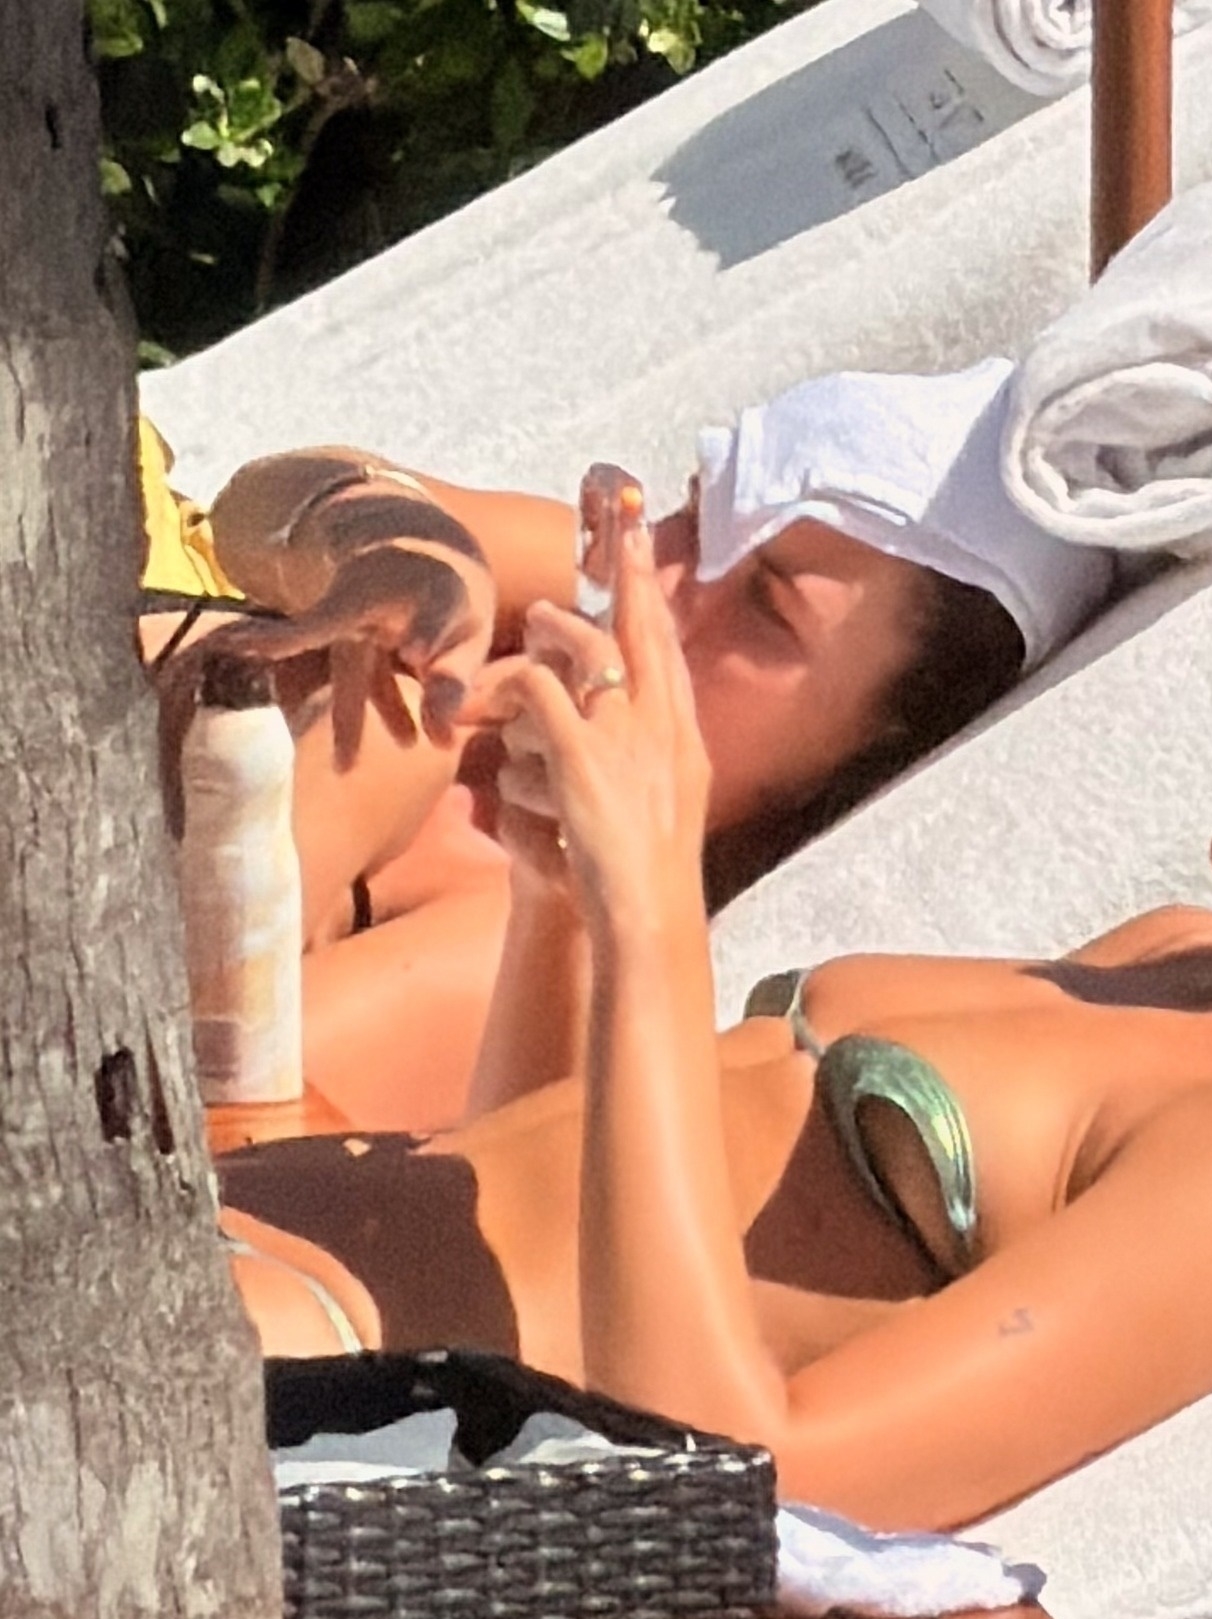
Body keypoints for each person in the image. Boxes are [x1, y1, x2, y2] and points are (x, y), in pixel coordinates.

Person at [216, 455, 1212, 1532]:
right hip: (244, 1237)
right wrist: (566, 898)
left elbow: (744, 1483)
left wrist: (651, 911)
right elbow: (554, 1182)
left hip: (299, 1391)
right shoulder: (1175, 962)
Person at [151, 361, 1114, 1126]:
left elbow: (159, 1120)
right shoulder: (573, 595)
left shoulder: (524, 943)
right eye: (695, 515)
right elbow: (258, 504)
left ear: (844, 774)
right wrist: (397, 548)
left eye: (768, 611)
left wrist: (326, 806)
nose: (664, 584)